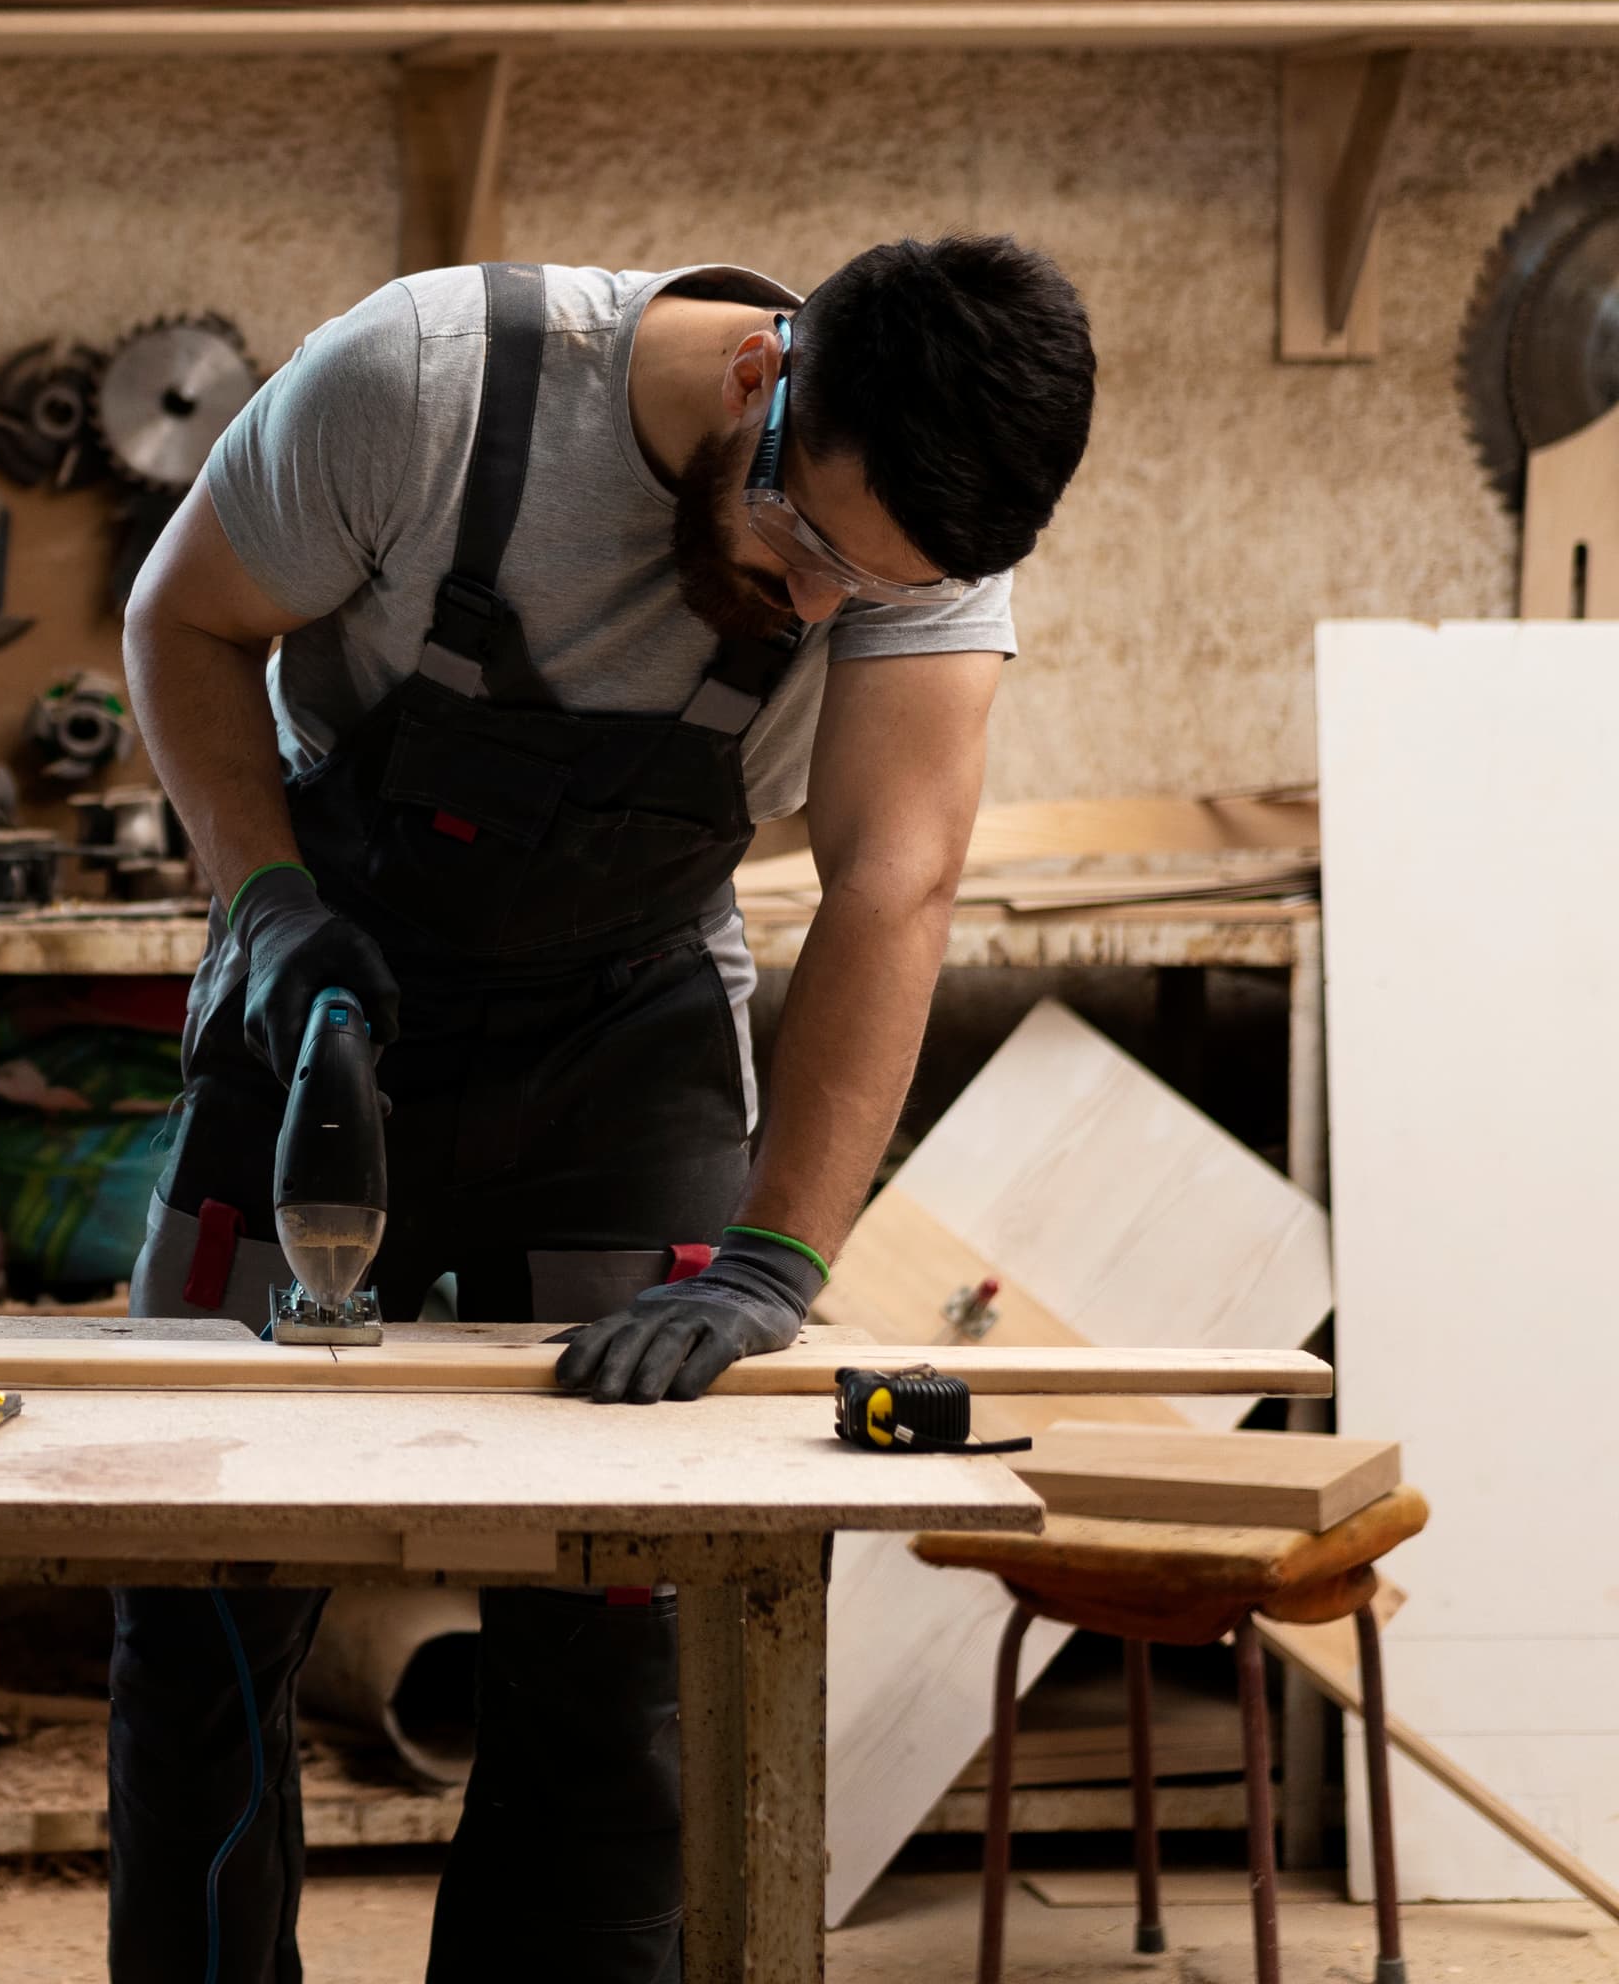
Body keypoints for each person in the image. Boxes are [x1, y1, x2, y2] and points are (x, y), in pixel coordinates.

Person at [107, 242, 1098, 1984]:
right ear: (761, 379)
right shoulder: (422, 384)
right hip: (327, 1003)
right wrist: (264, 908)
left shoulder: (916, 544)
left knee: (621, 1652)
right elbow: (178, 623)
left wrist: (779, 1258)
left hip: (621, 1042)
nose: (820, 612)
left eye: (870, 593)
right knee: (204, 1608)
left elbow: (893, 882)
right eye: (801, 550)